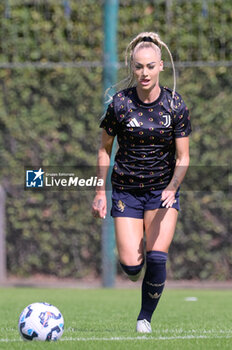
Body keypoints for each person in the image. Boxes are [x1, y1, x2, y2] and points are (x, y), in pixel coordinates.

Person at [92, 32, 191, 333]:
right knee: (132, 267)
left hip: (162, 192)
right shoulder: (120, 104)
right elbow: (104, 149)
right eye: (138, 67)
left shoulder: (175, 105)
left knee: (157, 257)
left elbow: (184, 157)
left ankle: (144, 318)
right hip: (127, 192)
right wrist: (100, 191)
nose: (144, 73)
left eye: (150, 66)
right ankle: (136, 273)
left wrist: (173, 187)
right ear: (132, 68)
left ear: (161, 65)